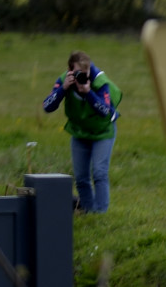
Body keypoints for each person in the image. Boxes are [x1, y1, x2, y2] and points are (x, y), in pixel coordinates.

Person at [42, 50, 122, 213]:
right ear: (70, 71)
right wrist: (63, 89)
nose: (83, 77)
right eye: (79, 73)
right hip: (80, 132)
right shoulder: (65, 81)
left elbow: (104, 111)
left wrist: (88, 92)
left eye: (85, 73)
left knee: (99, 173)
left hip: (102, 132)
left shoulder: (99, 82)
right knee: (81, 177)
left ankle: (100, 213)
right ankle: (87, 210)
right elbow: (47, 107)